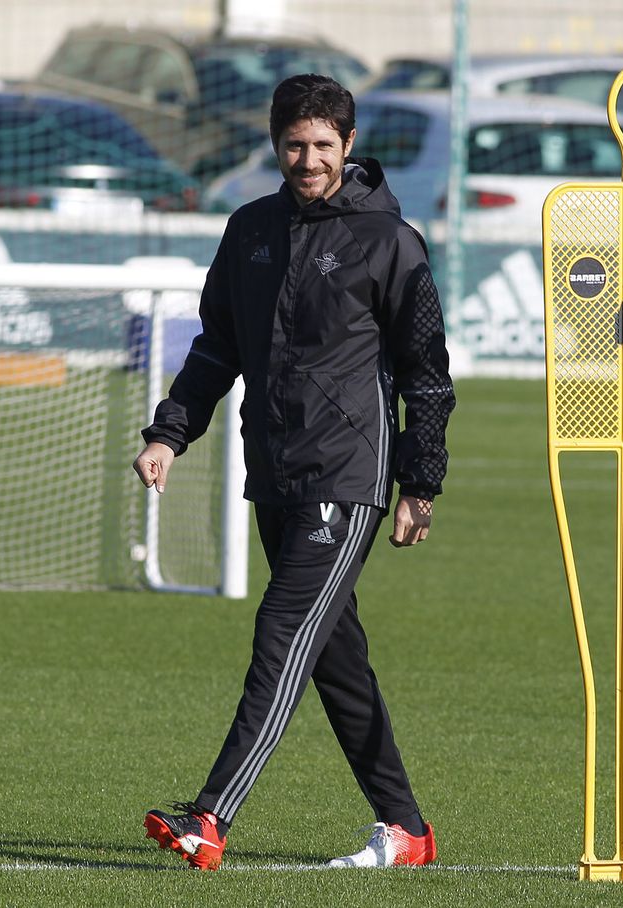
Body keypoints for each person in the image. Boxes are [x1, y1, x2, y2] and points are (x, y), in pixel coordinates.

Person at [133, 73, 456, 871]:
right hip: (273, 473)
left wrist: (421, 482)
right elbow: (217, 348)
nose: (307, 160)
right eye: (293, 145)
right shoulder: (249, 230)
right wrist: (171, 433)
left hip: (349, 476)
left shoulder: (391, 242)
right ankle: (406, 830)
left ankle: (211, 817)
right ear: (276, 146)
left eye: (321, 146)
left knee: (281, 634)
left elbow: (428, 376)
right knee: (336, 662)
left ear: (348, 146)